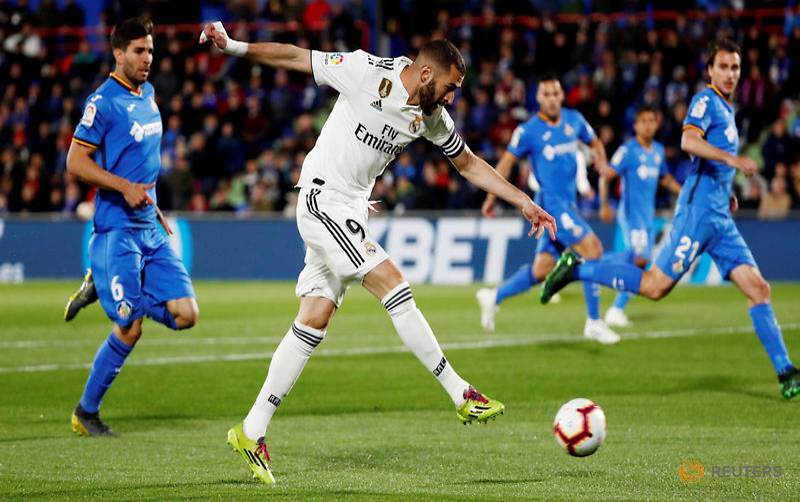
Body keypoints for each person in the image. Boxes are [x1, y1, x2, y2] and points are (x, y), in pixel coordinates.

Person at [199, 22, 557, 483]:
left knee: (314, 317)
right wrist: (234, 47)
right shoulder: (366, 71)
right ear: (426, 74)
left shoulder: (432, 119)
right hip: (322, 200)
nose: (452, 99)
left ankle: (251, 430)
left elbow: (467, 163)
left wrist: (523, 201)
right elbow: (296, 57)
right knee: (394, 283)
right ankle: (460, 392)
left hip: (351, 211)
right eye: (450, 88)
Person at [541, 39, 800, 399]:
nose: (730, 73)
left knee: (759, 289)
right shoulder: (706, 101)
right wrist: (733, 162)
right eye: (723, 66)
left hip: (720, 219)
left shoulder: (727, 108)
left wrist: (726, 189)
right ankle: (577, 269)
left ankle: (787, 372)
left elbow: (707, 162)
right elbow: (689, 142)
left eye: (735, 67)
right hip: (696, 215)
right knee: (654, 286)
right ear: (710, 70)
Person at [67, 17, 199, 436]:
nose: (147, 59)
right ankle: (85, 413)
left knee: (186, 315)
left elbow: (144, 162)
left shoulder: (150, 94)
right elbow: (75, 162)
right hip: (118, 229)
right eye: (139, 51)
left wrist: (153, 202)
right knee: (129, 325)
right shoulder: (101, 103)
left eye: (151, 51)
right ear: (118, 52)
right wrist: (123, 186)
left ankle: (99, 284)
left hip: (149, 226)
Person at [476, 73, 621, 344]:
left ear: (562, 95)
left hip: (569, 205)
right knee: (593, 249)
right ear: (538, 98)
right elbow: (506, 162)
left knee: (542, 269)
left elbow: (595, 143)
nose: (552, 99)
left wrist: (601, 162)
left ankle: (494, 296)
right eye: (546, 94)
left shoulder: (574, 120)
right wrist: (491, 197)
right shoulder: (528, 131)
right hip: (551, 205)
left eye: (556, 93)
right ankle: (594, 321)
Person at [599, 105, 682, 327]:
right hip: (631, 216)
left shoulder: (658, 151)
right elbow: (607, 175)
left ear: (656, 124)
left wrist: (685, 193)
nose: (648, 125)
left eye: (651, 120)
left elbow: (665, 179)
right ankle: (615, 309)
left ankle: (590, 263)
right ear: (635, 125)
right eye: (643, 120)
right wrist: (604, 204)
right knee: (641, 262)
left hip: (647, 218)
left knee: (635, 261)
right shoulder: (628, 150)